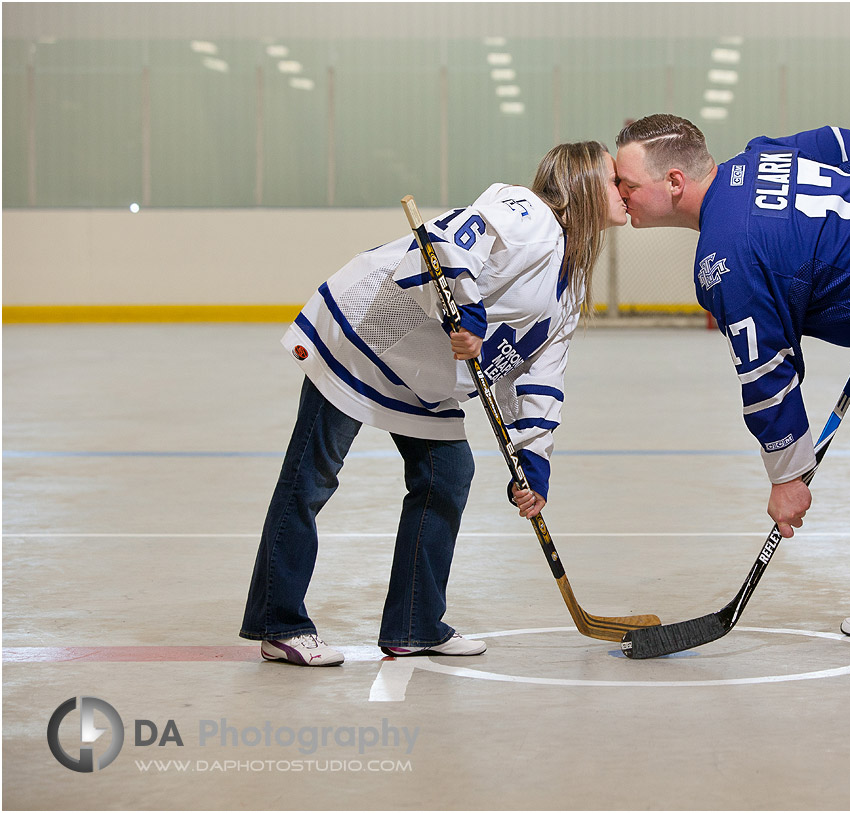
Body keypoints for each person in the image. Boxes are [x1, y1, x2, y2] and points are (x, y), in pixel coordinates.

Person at [614, 114, 850, 675]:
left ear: (673, 182)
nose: (619, 195)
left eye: (626, 184)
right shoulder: (757, 155)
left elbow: (768, 375)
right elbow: (842, 142)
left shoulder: (728, 256)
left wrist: (787, 478)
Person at [240, 141, 628, 666]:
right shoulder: (528, 214)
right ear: (582, 186)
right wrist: (464, 316)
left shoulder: (569, 279)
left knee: (447, 474)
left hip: (424, 376)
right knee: (312, 476)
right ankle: (278, 622)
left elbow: (541, 375)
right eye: (613, 180)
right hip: (365, 334)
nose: (624, 190)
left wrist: (533, 463)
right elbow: (444, 242)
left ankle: (414, 623)